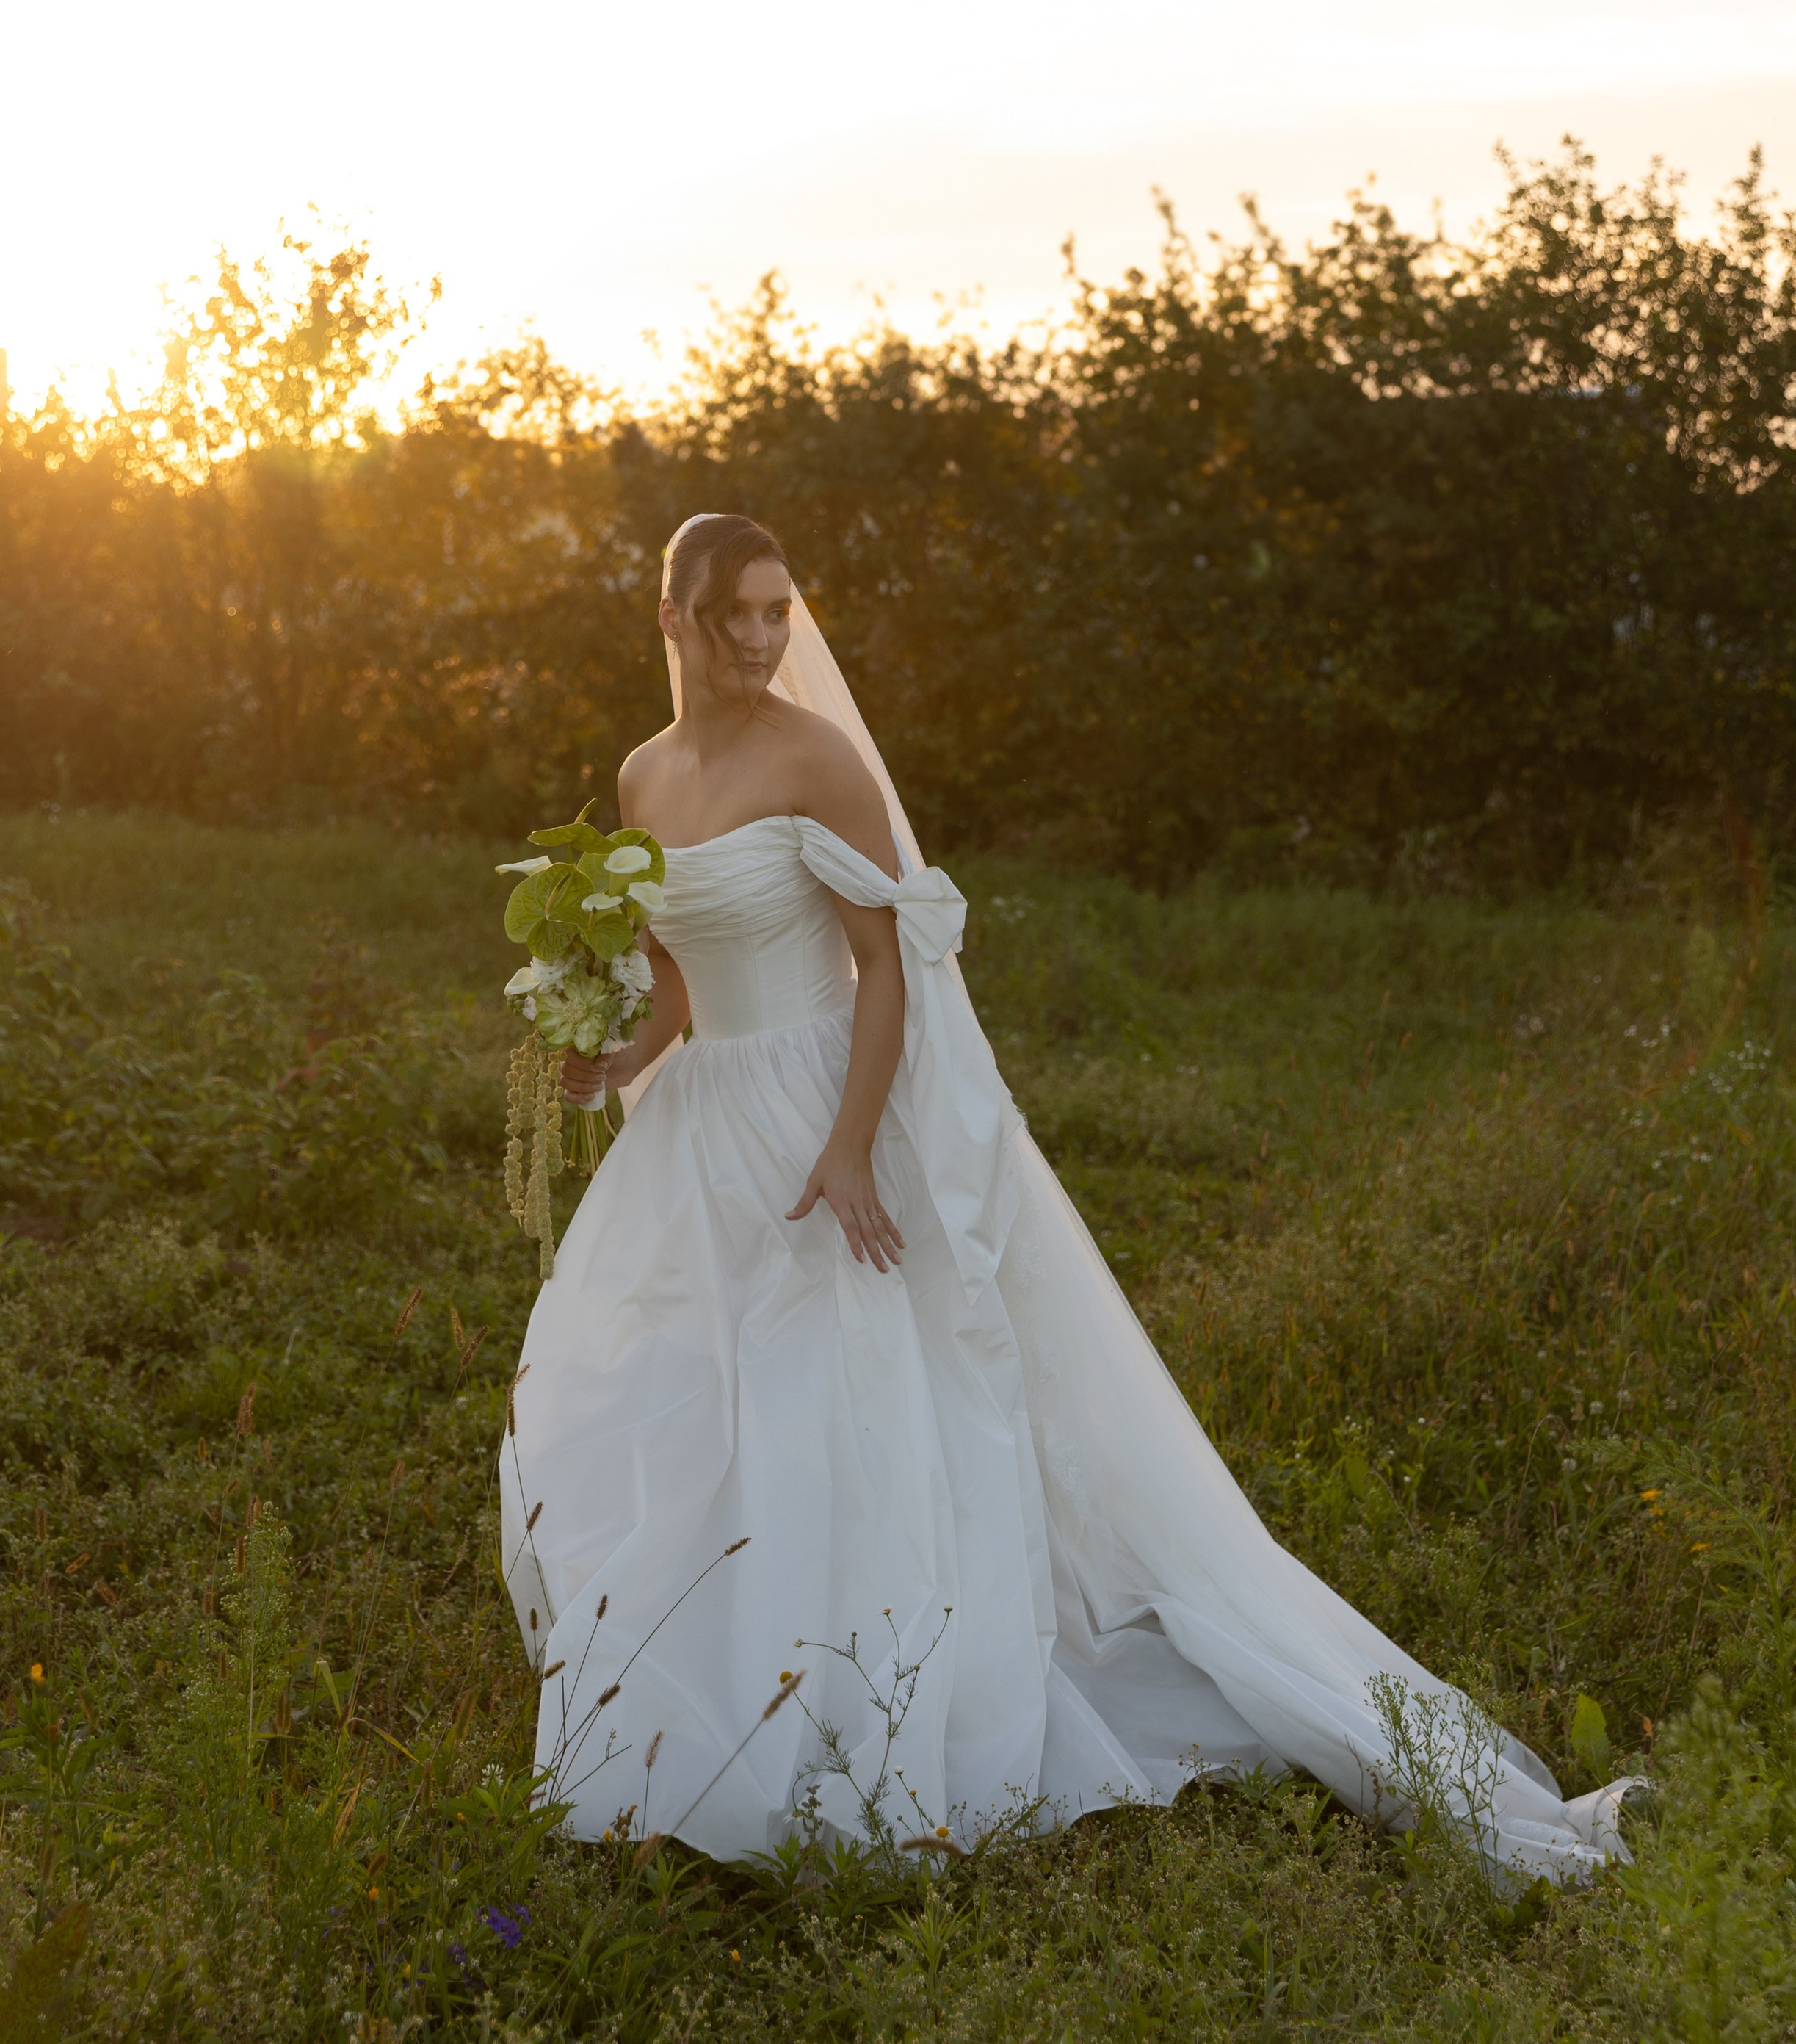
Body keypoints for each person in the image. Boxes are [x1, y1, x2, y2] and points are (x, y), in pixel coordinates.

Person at [501, 511, 1629, 1879]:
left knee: (832, 1398)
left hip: (818, 1101)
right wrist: (615, 1053)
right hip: (700, 1127)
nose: (759, 638)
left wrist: (852, 1146)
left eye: (777, 610)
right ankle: (714, 1696)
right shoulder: (642, 775)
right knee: (682, 1398)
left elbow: (888, 965)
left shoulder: (817, 758)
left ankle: (871, 1701)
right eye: (733, 613)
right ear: (670, 619)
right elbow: (680, 967)